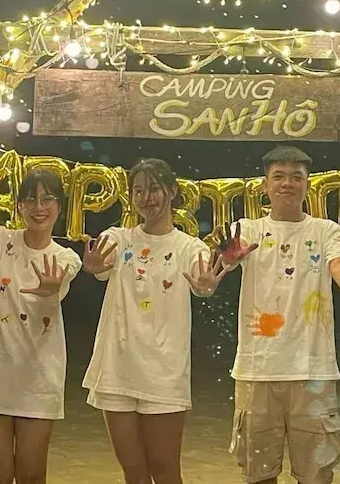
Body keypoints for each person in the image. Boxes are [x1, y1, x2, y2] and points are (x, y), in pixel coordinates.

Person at [225, 145, 340, 484]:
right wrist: (227, 258)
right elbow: (222, 264)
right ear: (265, 185)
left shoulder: (325, 231)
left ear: (308, 184)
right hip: (257, 371)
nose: (287, 183)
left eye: (296, 177)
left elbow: (339, 264)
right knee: (258, 475)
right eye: (278, 177)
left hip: (314, 372)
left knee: (316, 476)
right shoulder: (247, 229)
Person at [82, 158, 231, 484]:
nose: (146, 198)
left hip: (164, 373)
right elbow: (100, 264)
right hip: (117, 368)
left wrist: (206, 283)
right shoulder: (119, 238)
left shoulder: (188, 246)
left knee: (165, 471)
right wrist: (93, 267)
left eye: (153, 188)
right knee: (133, 471)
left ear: (172, 191)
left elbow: (202, 279)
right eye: (138, 191)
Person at [0, 168, 83, 484]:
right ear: (19, 206)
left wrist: (51, 288)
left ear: (59, 207)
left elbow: (58, 283)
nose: (39, 207)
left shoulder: (65, 257)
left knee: (32, 475)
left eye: (48, 199)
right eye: (30, 199)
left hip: (38, 379)